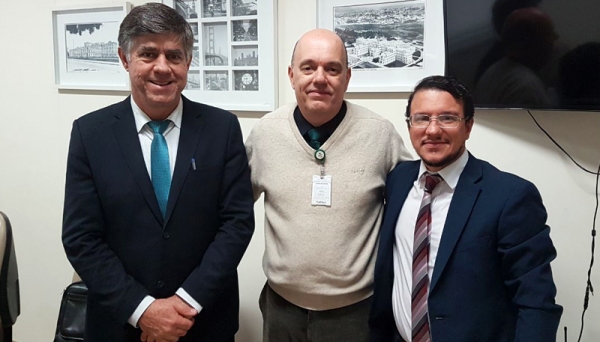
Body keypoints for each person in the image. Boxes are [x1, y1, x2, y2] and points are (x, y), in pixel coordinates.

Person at [62, 3, 254, 342]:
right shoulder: (90, 134)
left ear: (188, 62)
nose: (162, 68)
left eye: (174, 56)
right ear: (124, 58)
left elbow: (236, 224)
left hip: (204, 322)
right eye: (148, 54)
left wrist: (186, 302)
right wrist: (143, 310)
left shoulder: (222, 129)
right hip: (121, 325)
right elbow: (81, 238)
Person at [245, 28, 412, 342]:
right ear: (292, 75)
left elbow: (415, 210)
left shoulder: (380, 135)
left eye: (332, 69)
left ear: (347, 77)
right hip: (281, 310)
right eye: (308, 67)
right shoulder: (265, 134)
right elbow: (230, 213)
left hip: (355, 314)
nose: (319, 78)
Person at [369, 75, 563, 342]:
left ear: (468, 126)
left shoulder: (510, 196)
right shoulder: (398, 180)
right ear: (410, 125)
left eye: (447, 118)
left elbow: (536, 302)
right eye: (422, 118)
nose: (433, 130)